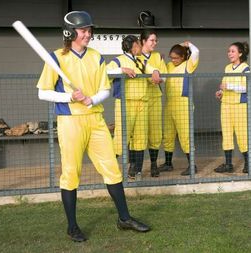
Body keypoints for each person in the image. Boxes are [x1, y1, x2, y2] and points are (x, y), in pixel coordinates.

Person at [37, 11, 150, 242]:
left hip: (95, 120)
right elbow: (42, 92)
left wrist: (91, 99)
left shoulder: (96, 57)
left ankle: (124, 218)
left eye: (90, 30)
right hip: (70, 121)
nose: (88, 34)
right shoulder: (55, 58)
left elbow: (105, 90)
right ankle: (72, 226)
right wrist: (69, 97)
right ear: (70, 33)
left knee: (112, 169)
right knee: (71, 174)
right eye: (83, 30)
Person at [107, 35, 161, 180]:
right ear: (133, 46)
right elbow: (105, 72)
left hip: (142, 103)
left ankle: (136, 170)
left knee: (140, 138)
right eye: (138, 44)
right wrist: (122, 70)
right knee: (121, 137)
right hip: (126, 103)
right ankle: (108, 168)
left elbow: (152, 70)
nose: (140, 47)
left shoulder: (141, 61)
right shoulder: (118, 60)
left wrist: (155, 71)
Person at [159, 41, 199, 176]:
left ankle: (192, 165)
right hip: (169, 103)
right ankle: (168, 163)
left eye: (176, 57)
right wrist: (160, 60)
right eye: (172, 57)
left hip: (183, 104)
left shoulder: (188, 65)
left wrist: (187, 44)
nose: (173, 60)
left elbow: (197, 52)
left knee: (185, 137)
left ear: (183, 57)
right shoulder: (169, 65)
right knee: (168, 135)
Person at [214, 42, 250, 174]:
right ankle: (228, 164)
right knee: (227, 135)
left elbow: (247, 87)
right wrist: (221, 92)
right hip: (226, 105)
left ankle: (248, 163)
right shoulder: (227, 68)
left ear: (240, 53)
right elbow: (224, 85)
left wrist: (229, 87)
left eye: (233, 51)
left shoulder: (246, 68)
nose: (230, 53)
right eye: (229, 51)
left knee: (242, 136)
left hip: (239, 106)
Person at [137, 30, 168, 177]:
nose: (154, 43)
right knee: (139, 133)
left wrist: (160, 79)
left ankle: (154, 165)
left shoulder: (157, 56)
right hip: (140, 99)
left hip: (155, 98)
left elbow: (165, 75)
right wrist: (152, 77)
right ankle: (135, 167)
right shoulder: (136, 56)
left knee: (155, 133)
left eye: (156, 41)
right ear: (143, 41)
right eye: (152, 40)